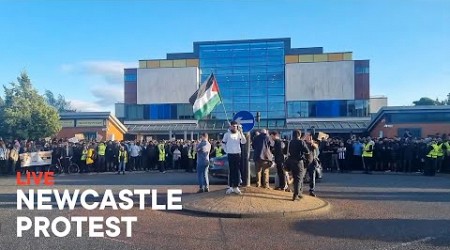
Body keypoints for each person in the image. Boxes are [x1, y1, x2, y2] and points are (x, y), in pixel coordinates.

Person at [222, 121, 247, 195]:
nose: (235, 127)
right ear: (231, 126)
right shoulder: (227, 134)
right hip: (230, 154)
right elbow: (223, 143)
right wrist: (226, 150)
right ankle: (230, 186)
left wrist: (241, 132)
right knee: (231, 170)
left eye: (236, 126)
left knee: (237, 170)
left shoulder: (239, 134)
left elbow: (243, 141)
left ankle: (236, 186)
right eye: (233, 126)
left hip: (237, 154)